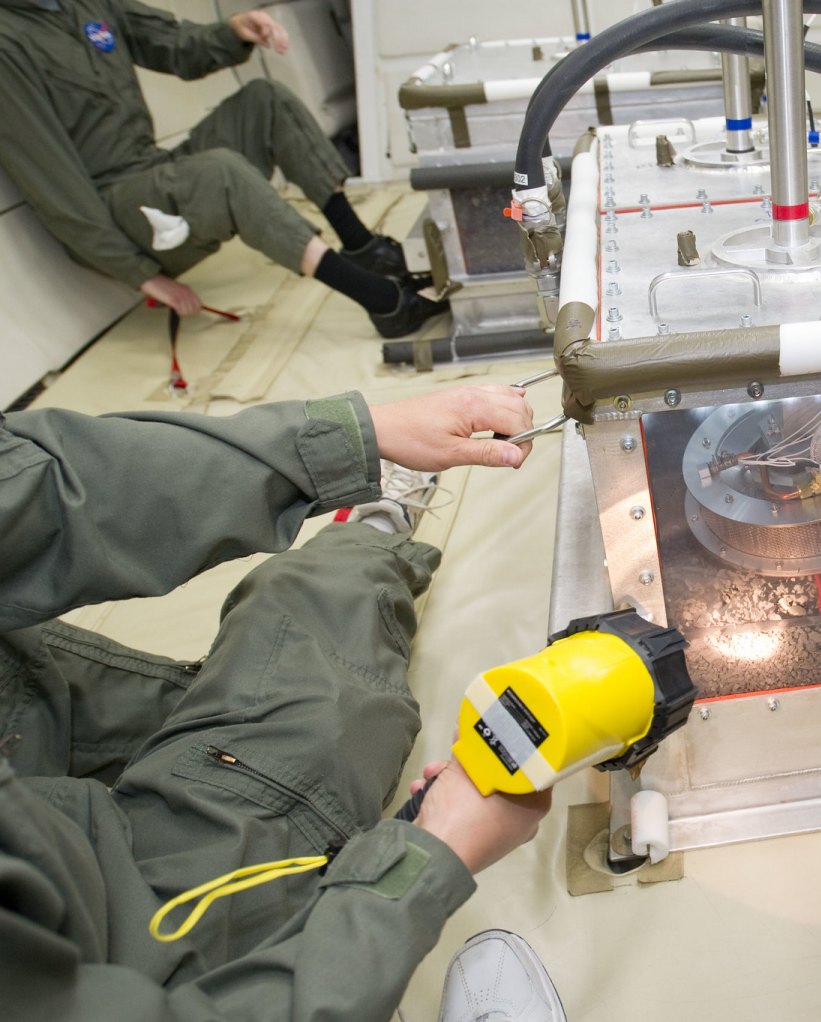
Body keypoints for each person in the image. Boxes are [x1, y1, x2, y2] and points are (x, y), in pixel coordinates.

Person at [0, 382, 552, 1018]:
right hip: (102, 934)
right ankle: (376, 528)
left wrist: (350, 439)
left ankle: (366, 523)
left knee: (282, 631)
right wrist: (426, 865)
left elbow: (34, 492)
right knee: (322, 687)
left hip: (22, 711)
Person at [0, 0, 446, 338]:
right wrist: (140, 273)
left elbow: (173, 43)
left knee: (265, 101)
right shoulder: (8, 42)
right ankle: (384, 302)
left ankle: (363, 247)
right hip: (114, 210)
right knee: (222, 172)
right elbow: (54, 185)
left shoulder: (88, 4)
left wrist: (234, 31)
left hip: (152, 169)